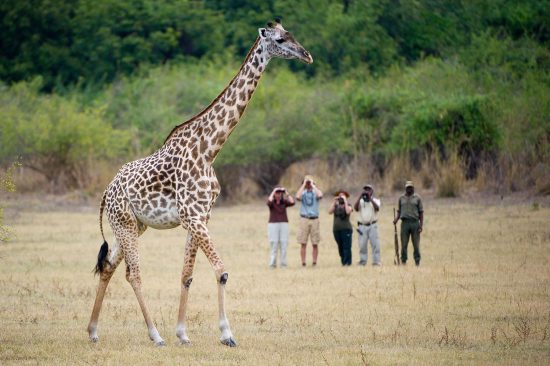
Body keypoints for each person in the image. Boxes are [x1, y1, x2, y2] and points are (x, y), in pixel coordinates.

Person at [393, 180, 424, 266]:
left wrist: (421, 225)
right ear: (405, 188)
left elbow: (421, 212)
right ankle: (403, 261)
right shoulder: (401, 198)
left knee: (416, 245)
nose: (409, 189)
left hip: (415, 223)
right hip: (405, 223)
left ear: (413, 188)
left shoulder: (417, 198)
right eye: (407, 187)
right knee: (403, 244)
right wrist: (396, 219)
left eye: (410, 187)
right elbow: (399, 211)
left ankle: (417, 261)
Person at [296, 175, 323, 266]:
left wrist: (313, 185)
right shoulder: (303, 193)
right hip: (304, 218)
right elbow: (297, 196)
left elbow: (320, 195)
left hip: (314, 219)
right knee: (303, 242)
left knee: (315, 243)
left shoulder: (316, 192)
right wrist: (304, 184)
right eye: (307, 183)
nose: (308, 184)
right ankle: (303, 262)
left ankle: (314, 262)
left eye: (309, 183)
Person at [353, 184, 382, 266]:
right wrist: (360, 197)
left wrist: (370, 199)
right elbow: (355, 208)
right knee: (362, 245)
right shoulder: (361, 201)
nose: (367, 191)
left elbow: (377, 208)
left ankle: (376, 262)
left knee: (375, 245)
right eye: (365, 190)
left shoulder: (376, 200)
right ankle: (362, 261)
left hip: (373, 225)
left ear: (372, 191)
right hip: (362, 226)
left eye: (368, 190)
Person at [267, 186, 295, 268]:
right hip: (273, 224)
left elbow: (292, 202)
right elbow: (268, 202)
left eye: (279, 193)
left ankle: (283, 263)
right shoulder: (272, 203)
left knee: (284, 243)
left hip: (283, 224)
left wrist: (286, 192)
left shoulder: (284, 202)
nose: (278, 195)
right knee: (274, 243)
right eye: (277, 193)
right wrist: (273, 191)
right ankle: (272, 263)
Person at [328, 190, 353, 266]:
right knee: (340, 247)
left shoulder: (349, 205)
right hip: (336, 230)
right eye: (340, 196)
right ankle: (343, 262)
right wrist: (334, 202)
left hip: (346, 229)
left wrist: (345, 200)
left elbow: (348, 212)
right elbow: (329, 212)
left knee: (347, 246)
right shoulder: (335, 206)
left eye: (343, 196)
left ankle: (347, 263)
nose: (341, 197)